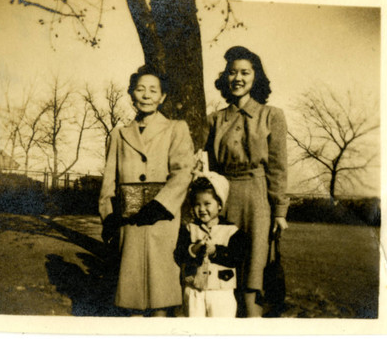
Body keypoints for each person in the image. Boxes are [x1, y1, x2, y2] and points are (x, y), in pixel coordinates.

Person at [98, 65, 194, 316]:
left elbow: (183, 172)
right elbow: (109, 181)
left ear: (162, 97)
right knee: (131, 298)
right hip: (128, 223)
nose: (147, 95)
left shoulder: (176, 128)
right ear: (131, 94)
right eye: (140, 89)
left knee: (161, 296)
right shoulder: (118, 134)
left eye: (153, 90)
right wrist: (108, 215)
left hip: (161, 219)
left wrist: (161, 204)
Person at [204, 46, 290, 317]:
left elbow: (277, 168)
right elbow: (210, 168)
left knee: (254, 272)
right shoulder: (215, 120)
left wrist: (279, 212)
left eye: (245, 72)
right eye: (232, 72)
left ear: (256, 77)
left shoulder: (271, 115)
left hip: (257, 200)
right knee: (223, 269)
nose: (238, 78)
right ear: (225, 78)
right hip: (223, 198)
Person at [175, 172, 246, 317]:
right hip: (194, 290)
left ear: (219, 205)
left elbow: (237, 257)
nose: (201, 209)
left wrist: (215, 251)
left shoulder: (231, 231)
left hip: (221, 292)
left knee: (220, 329)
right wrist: (193, 250)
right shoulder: (189, 229)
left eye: (207, 204)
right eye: (197, 204)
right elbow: (179, 255)